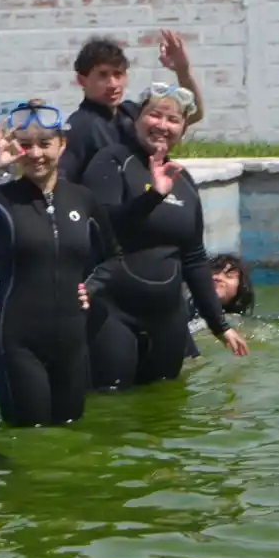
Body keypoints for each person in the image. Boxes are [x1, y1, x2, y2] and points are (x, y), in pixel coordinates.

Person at [81, 85, 249, 390]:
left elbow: (194, 258)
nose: (162, 125)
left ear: (183, 129)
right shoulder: (112, 161)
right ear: (137, 119)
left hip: (167, 320)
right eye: (154, 115)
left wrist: (219, 325)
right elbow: (101, 225)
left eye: (172, 119)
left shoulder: (182, 181)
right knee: (111, 411)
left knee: (165, 411)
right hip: (113, 314)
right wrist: (152, 197)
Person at [0, 100, 101, 427]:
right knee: (28, 437)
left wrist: (94, 286)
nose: (35, 154)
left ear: (62, 145)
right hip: (18, 342)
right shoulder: (1, 200)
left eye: (44, 144)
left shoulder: (82, 198)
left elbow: (113, 256)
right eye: (25, 146)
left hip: (72, 341)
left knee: (71, 437)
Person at [59, 31, 207, 185]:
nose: (113, 84)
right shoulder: (80, 127)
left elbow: (193, 114)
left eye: (118, 74)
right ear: (82, 80)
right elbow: (62, 183)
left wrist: (182, 70)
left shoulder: (131, 113)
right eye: (103, 75)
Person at [184, 254, 256, 358]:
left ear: (241, 288)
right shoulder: (183, 304)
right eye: (214, 272)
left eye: (229, 276)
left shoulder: (238, 322)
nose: (217, 277)